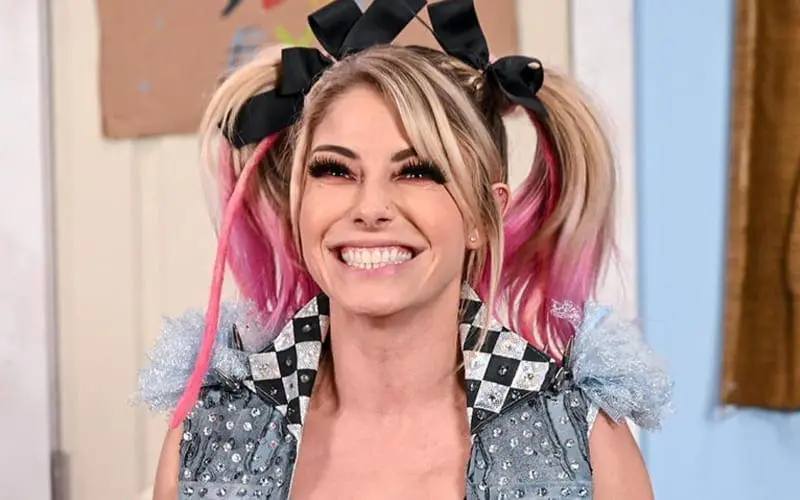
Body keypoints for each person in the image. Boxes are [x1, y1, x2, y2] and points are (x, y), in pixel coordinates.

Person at [137, 0, 673, 498]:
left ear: (482, 217)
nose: (370, 207)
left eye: (417, 171)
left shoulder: (582, 445)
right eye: (335, 170)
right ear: (298, 203)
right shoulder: (209, 433)